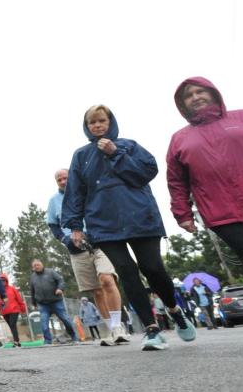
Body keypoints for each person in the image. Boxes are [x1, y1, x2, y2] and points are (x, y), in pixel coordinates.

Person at [166, 77, 243, 347]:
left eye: (201, 91)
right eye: (189, 95)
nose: (196, 97)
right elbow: (177, 181)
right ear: (182, 104)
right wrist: (183, 213)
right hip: (223, 210)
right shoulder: (179, 140)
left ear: (213, 94)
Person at [61, 105, 196, 351]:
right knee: (126, 270)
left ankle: (174, 310)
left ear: (110, 122)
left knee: (152, 268)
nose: (97, 126)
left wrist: (116, 154)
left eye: (101, 121)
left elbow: (146, 173)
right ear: (87, 127)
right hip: (103, 223)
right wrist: (75, 226)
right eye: (92, 123)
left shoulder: (129, 146)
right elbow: (75, 193)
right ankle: (151, 329)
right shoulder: (81, 156)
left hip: (140, 217)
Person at [48, 168, 127, 346]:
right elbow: (53, 225)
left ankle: (118, 326)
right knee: (96, 290)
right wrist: (64, 239)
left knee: (107, 280)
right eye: (59, 180)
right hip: (77, 250)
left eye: (65, 178)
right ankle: (111, 329)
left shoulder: (87, 190)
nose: (62, 182)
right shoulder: (53, 201)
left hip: (100, 244)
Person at [28, 260, 79, 345]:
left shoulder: (51, 272)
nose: (36, 266)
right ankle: (48, 341)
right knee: (44, 322)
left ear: (42, 264)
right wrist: (33, 302)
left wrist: (60, 289)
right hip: (43, 304)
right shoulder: (33, 277)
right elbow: (32, 290)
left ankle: (74, 337)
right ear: (33, 268)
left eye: (38, 264)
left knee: (65, 319)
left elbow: (61, 281)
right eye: (34, 266)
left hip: (56, 301)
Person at [0, 273, 27, 347]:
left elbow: (19, 299)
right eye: (0, 281)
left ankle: (16, 342)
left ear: (6, 280)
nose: (2, 282)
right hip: (5, 311)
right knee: (11, 326)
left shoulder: (12, 288)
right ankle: (17, 342)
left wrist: (23, 308)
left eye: (3, 280)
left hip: (14, 310)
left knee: (13, 325)